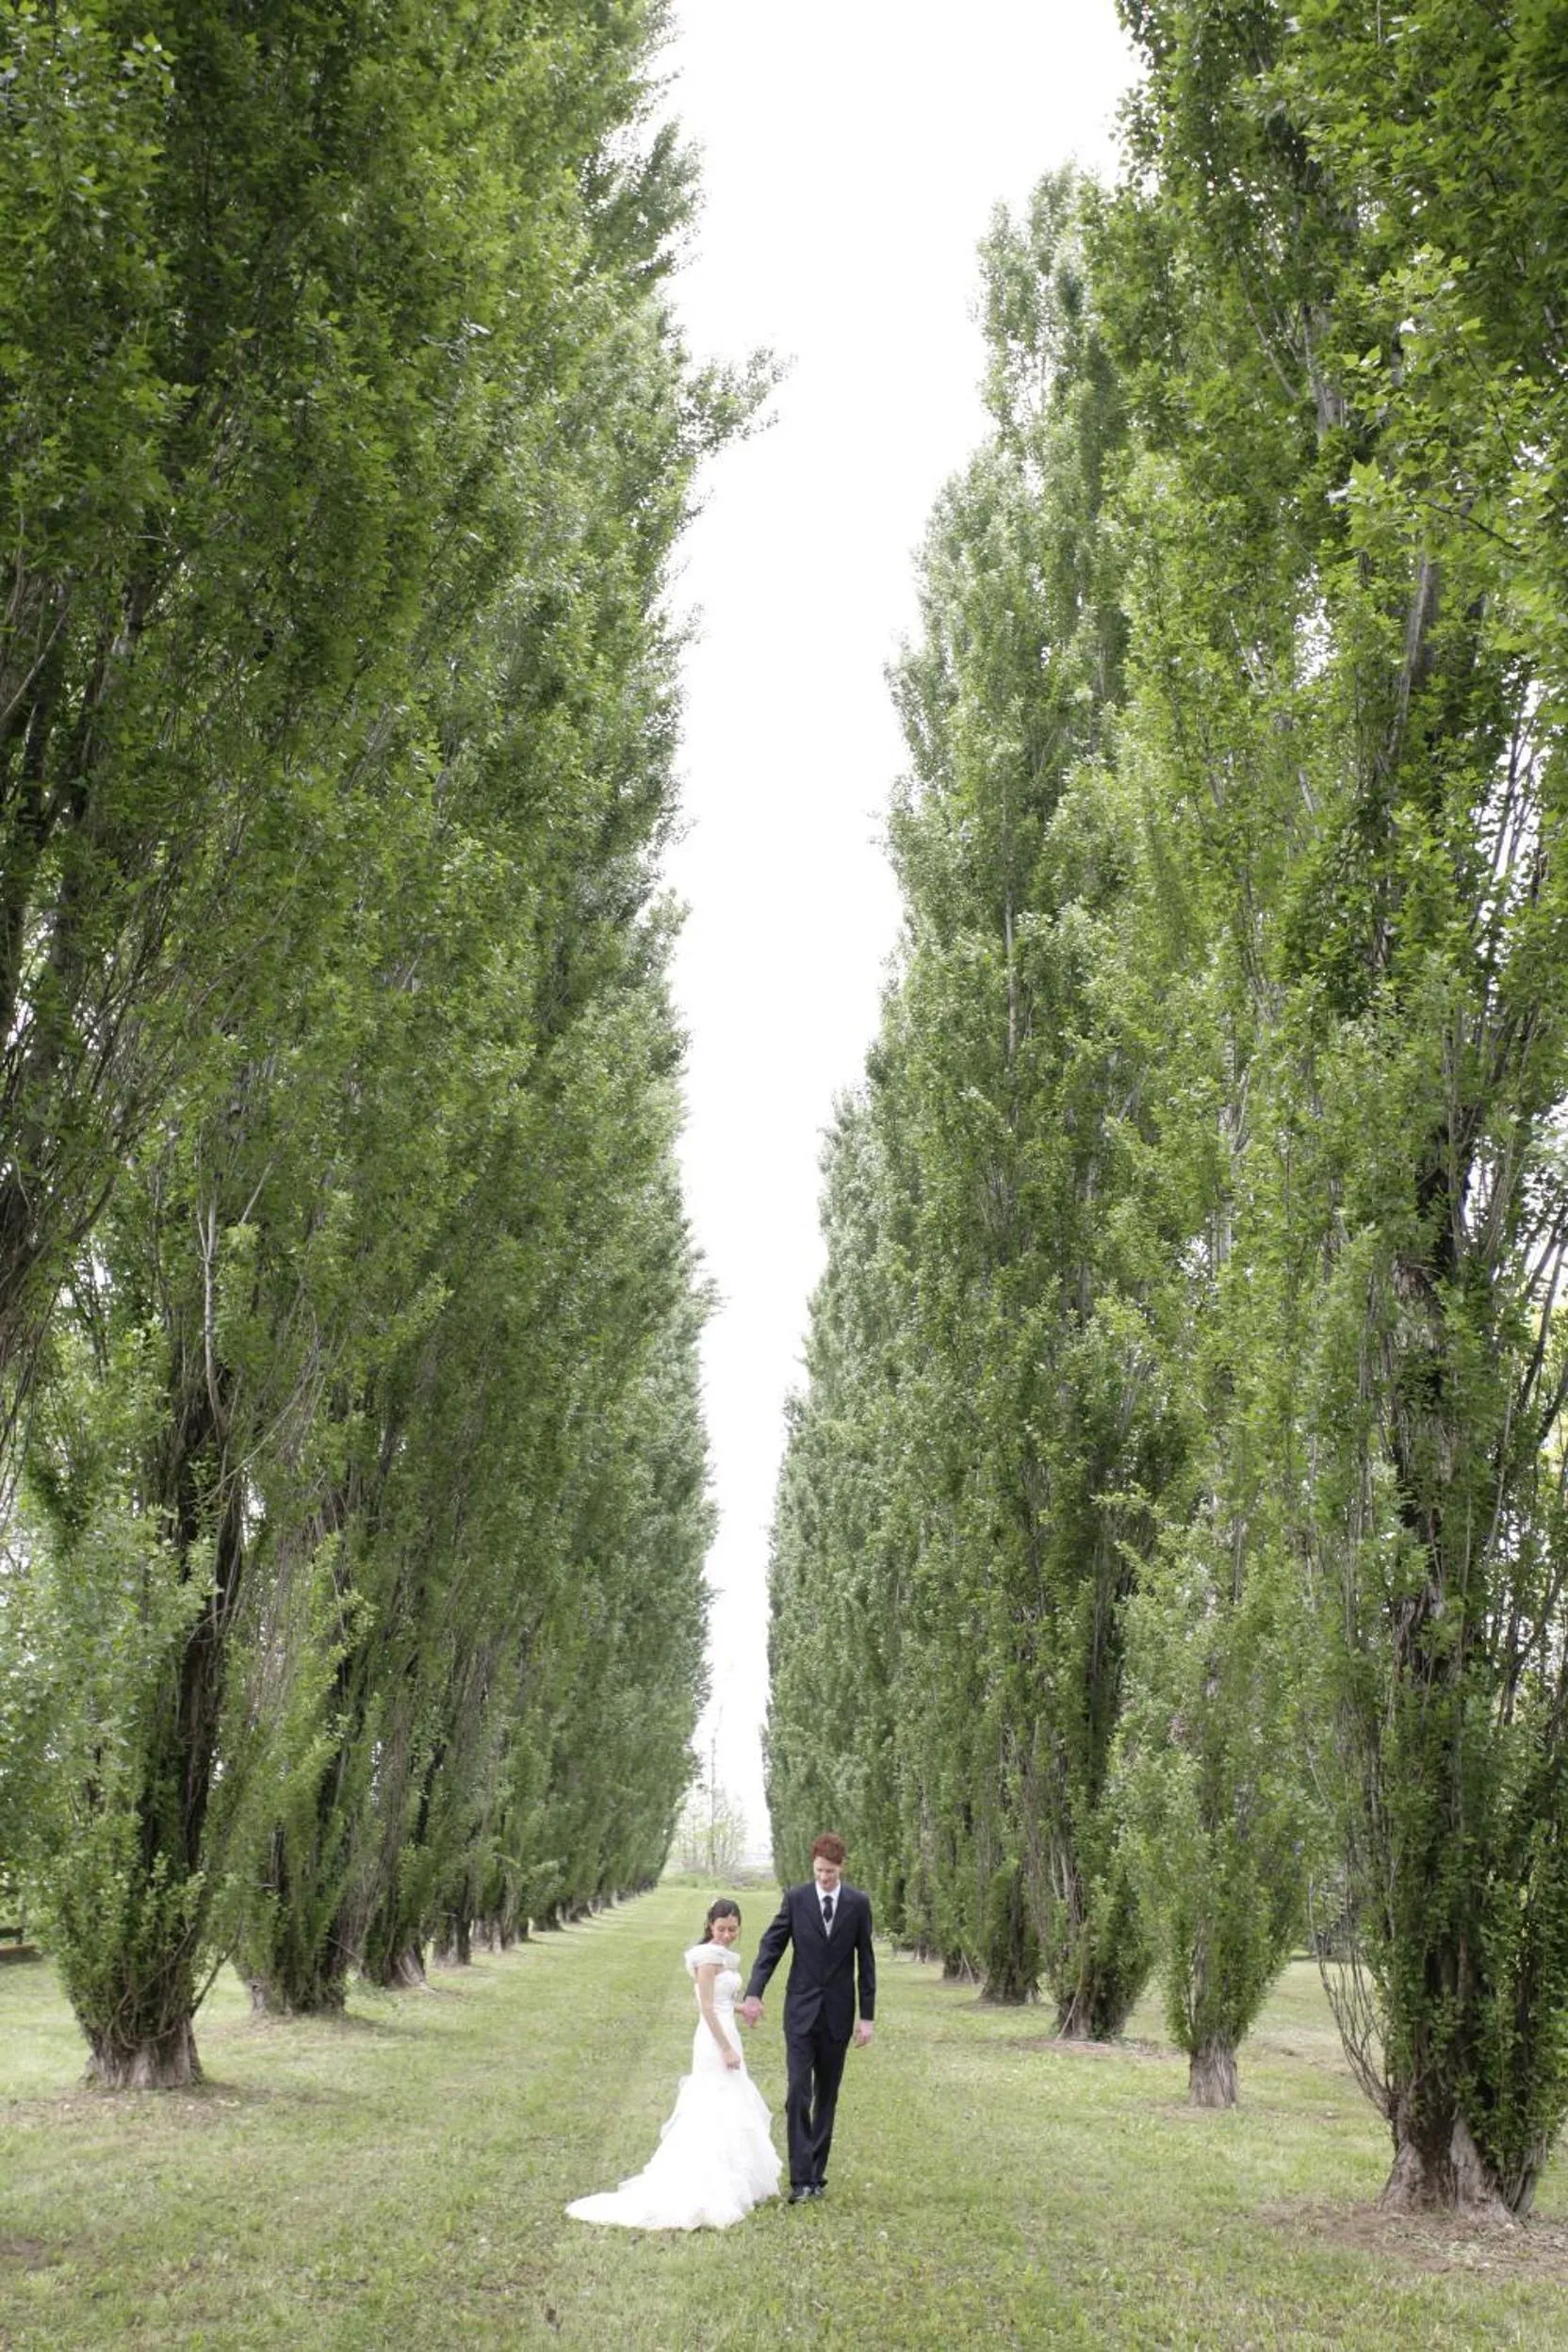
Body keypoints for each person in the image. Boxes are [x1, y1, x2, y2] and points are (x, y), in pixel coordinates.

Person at [565, 1898, 781, 2230]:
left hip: (727, 2030)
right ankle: (706, 2178)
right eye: (721, 1928)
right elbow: (707, 2008)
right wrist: (725, 2048)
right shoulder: (708, 1957)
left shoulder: (721, 1956)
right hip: (714, 2039)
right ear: (710, 1926)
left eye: (733, 1929)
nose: (727, 1935)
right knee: (713, 2101)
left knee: (731, 2101)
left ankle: (736, 2175)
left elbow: (723, 2003)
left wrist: (744, 2010)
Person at [740, 1833, 874, 2202]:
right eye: (818, 1871)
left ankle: (816, 2175)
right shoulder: (796, 1900)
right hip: (799, 2013)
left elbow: (867, 1962)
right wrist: (754, 1991)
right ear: (812, 1866)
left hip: (837, 2015)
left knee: (826, 2096)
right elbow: (772, 1946)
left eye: (830, 1872)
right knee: (798, 2092)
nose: (824, 1878)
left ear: (841, 1867)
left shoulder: (858, 1904)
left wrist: (867, 2018)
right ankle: (800, 2180)